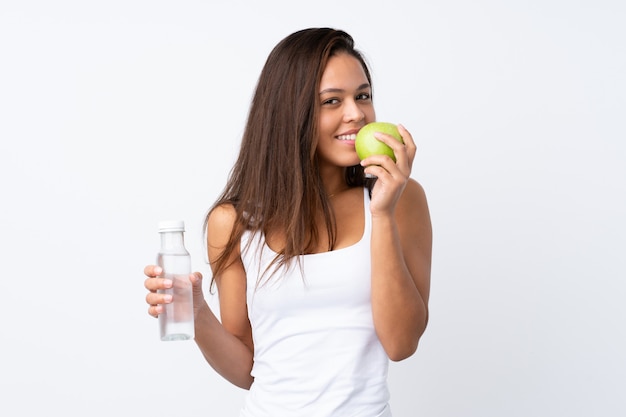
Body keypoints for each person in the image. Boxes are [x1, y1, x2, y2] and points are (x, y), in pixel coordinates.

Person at [143, 27, 432, 417]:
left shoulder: (400, 201)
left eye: (363, 96)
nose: (357, 114)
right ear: (290, 112)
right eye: (332, 101)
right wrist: (197, 314)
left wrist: (380, 213)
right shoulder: (232, 223)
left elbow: (401, 344)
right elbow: (248, 369)